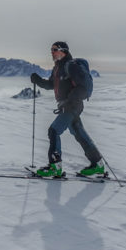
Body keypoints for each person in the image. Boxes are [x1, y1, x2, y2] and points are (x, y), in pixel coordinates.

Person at [30, 41, 104, 177]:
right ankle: (98, 164)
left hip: (72, 106)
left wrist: (70, 100)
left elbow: (85, 87)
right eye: (51, 50)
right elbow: (51, 85)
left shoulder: (72, 66)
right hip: (67, 106)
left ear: (62, 51)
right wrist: (38, 80)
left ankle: (55, 166)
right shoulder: (58, 68)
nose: (51, 52)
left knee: (54, 130)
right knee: (79, 134)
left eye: (54, 49)